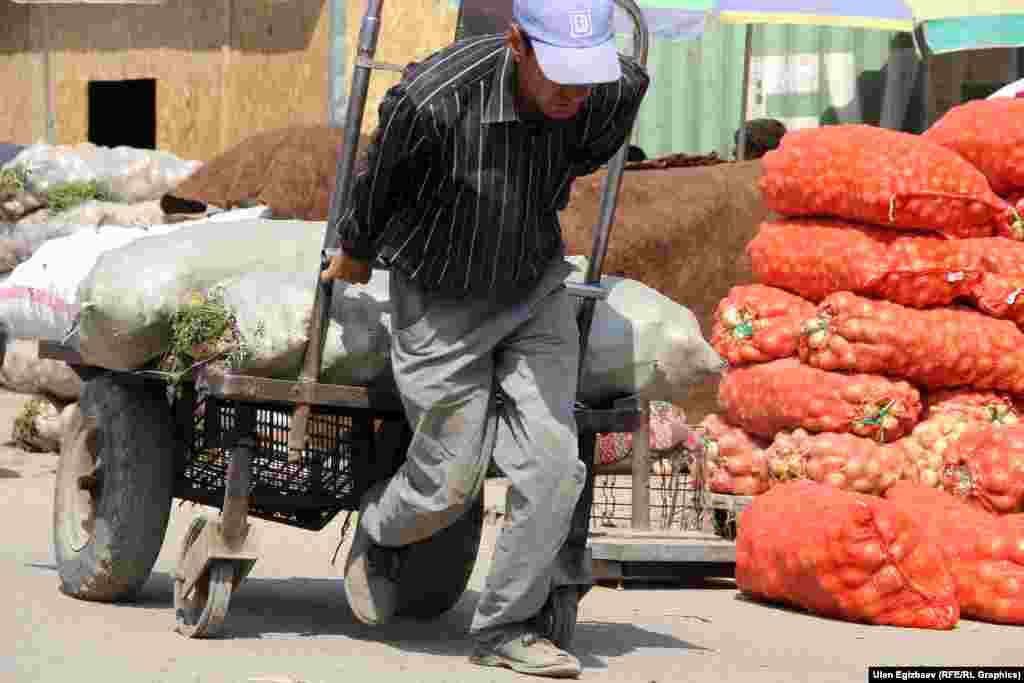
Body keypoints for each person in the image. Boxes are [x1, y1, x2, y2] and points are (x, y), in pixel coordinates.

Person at [320, 0, 649, 678]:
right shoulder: (434, 99)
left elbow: (597, 132)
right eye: (558, 75)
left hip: (533, 290)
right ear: (517, 44)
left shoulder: (606, 91)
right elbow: (380, 178)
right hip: (440, 297)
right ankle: (380, 526)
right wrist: (356, 247)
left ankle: (506, 625)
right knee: (448, 483)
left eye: (584, 76)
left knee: (555, 467)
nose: (573, 95)